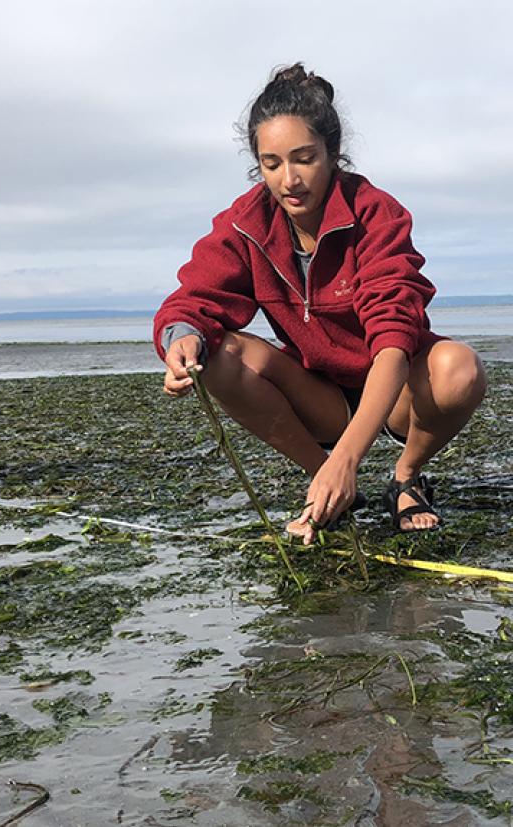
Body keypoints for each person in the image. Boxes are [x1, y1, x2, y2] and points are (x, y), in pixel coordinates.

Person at [154, 64, 487, 543]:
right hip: (320, 394)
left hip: (394, 391)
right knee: (219, 354)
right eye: (271, 164)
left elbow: (394, 341)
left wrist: (352, 457)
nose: (289, 179)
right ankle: (326, 482)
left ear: (332, 153)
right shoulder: (247, 222)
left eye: (304, 158)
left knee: (461, 368)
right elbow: (195, 299)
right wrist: (180, 336)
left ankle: (406, 477)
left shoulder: (376, 213)